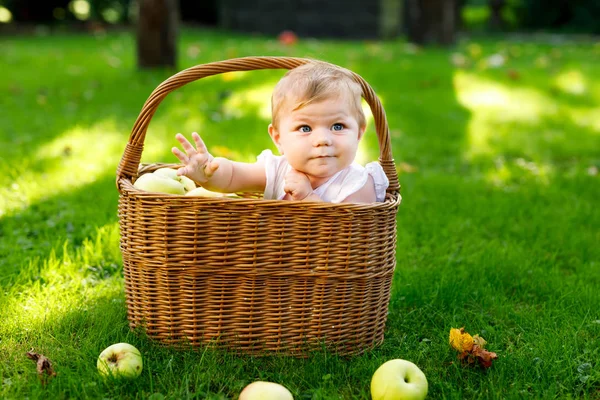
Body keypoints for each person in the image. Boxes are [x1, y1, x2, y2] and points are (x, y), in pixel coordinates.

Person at [171, 60, 389, 203]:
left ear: (359, 133)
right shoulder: (279, 170)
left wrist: (308, 197)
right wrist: (209, 173)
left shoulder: (359, 182)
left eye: (338, 127)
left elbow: (347, 231)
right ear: (278, 138)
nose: (323, 139)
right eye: (305, 128)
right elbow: (234, 177)